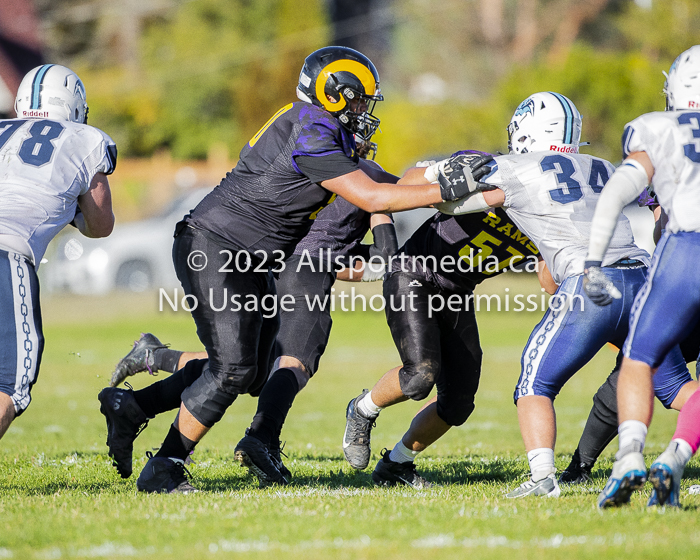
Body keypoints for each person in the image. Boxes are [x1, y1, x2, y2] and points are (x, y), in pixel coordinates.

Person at [132, 46, 490, 494]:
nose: (363, 111)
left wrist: (386, 250)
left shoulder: (315, 125)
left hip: (252, 255)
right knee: (236, 369)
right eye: (358, 100)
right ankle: (164, 466)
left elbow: (380, 197)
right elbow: (378, 198)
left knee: (251, 370)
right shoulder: (314, 129)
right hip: (219, 247)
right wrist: (448, 185)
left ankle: (138, 410)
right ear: (334, 94)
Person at [426, 91, 692, 499]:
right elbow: (655, 198)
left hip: (590, 283)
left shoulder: (514, 165)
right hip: (642, 278)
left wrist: (438, 178)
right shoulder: (602, 165)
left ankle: (543, 477)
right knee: (676, 388)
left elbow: (448, 201)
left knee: (535, 382)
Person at [99, 171, 399, 481]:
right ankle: (259, 439)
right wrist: (418, 195)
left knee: (250, 369)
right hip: (297, 267)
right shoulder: (366, 177)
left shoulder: (309, 159)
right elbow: (381, 252)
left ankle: (140, 391)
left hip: (266, 260)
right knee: (292, 363)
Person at [342, 152, 547, 488]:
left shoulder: (553, 212)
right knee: (419, 376)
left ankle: (396, 465)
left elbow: (549, 282)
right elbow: (406, 181)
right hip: (414, 272)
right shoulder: (490, 167)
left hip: (458, 290)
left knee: (458, 403)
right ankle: (362, 409)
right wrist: (440, 175)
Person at [583, 45, 700, 508]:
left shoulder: (658, 126)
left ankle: (630, 454)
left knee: (638, 358)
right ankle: (675, 456)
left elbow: (617, 193)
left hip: (686, 248)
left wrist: (593, 261)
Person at [0, 64, 116, 440]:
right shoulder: (86, 138)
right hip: (6, 251)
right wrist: (72, 213)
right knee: (10, 385)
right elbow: (101, 225)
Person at [560, 194, 699, 485]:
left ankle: (585, 466)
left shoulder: (667, 160)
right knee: (630, 368)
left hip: (684, 280)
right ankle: (580, 467)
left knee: (642, 367)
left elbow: (663, 229)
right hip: (684, 283)